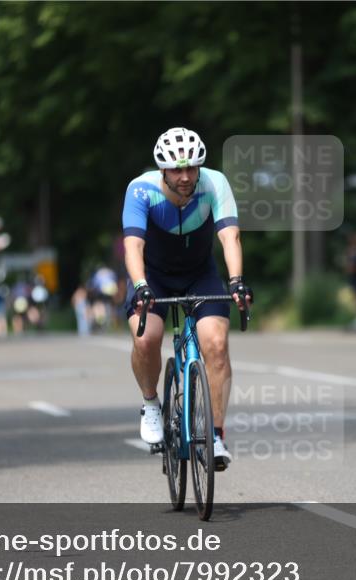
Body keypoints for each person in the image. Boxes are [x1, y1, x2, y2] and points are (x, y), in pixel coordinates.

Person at [122, 127, 252, 471]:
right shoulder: (141, 189)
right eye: (177, 170)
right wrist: (140, 285)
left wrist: (237, 281)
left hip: (199, 274)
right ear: (162, 170)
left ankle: (216, 433)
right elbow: (133, 245)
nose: (185, 177)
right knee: (146, 338)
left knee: (217, 343)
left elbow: (230, 236)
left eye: (191, 168)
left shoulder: (214, 184)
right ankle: (151, 404)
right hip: (152, 278)